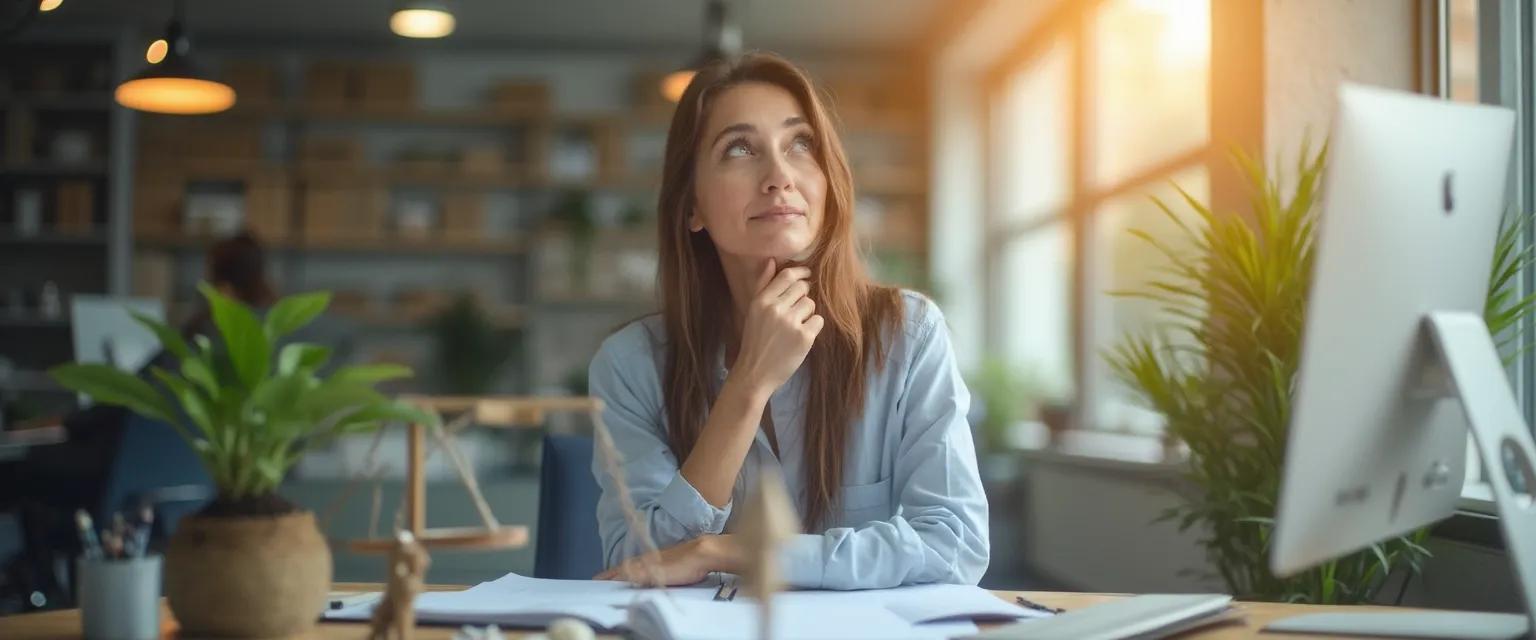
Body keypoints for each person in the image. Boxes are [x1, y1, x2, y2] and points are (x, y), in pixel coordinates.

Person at [589, 52, 988, 590]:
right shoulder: (630, 365)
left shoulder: (908, 336)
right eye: (739, 149)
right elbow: (639, 563)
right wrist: (748, 386)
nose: (779, 176)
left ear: (828, 181)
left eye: (800, 145)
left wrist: (728, 552)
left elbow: (955, 544)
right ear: (692, 208)